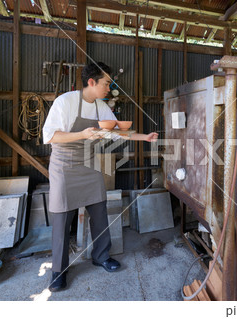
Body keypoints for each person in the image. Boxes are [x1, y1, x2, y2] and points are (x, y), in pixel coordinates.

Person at [42, 62, 158, 292]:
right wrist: (81, 134)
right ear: (92, 82)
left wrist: (144, 137)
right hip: (64, 164)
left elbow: (115, 131)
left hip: (88, 162)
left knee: (99, 208)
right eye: (107, 83)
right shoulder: (65, 102)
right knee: (62, 217)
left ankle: (101, 255)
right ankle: (58, 271)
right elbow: (50, 136)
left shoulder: (100, 107)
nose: (109, 87)